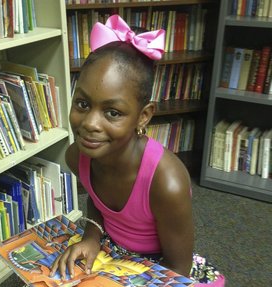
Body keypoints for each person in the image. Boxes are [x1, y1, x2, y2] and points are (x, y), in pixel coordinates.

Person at [50, 15, 224, 285]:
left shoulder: (167, 182)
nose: (90, 124)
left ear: (143, 116)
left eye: (112, 112)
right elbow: (97, 201)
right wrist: (91, 237)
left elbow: (178, 269)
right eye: (82, 104)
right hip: (114, 250)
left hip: (165, 267)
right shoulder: (78, 156)